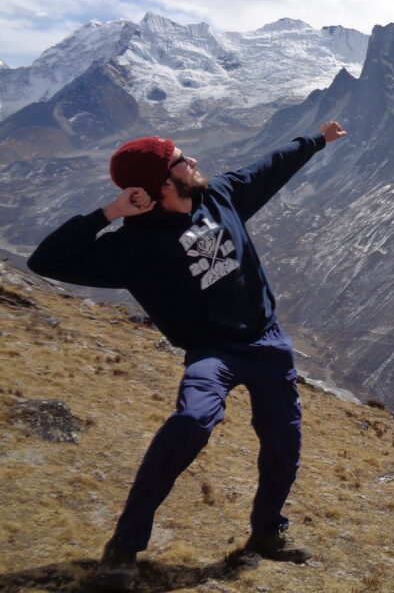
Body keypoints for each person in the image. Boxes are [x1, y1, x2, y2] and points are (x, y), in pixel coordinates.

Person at [27, 122, 347, 591]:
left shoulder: (220, 196)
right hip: (211, 353)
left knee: (284, 445)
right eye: (180, 159)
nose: (192, 161)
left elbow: (271, 167)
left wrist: (316, 140)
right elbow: (44, 262)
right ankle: (123, 547)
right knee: (190, 423)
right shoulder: (130, 245)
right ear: (160, 182)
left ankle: (266, 534)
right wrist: (110, 212)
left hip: (267, 343)